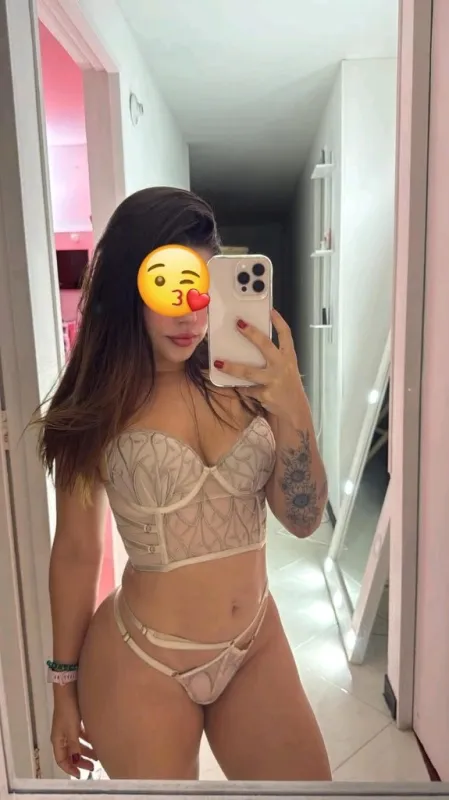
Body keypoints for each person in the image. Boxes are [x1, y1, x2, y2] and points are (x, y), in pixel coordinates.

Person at [38, 187, 331, 781]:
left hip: (254, 645)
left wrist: (293, 402)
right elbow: (76, 551)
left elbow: (302, 519)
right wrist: (63, 688)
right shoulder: (95, 408)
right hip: (140, 661)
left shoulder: (247, 381)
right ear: (130, 288)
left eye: (200, 290)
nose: (189, 314)